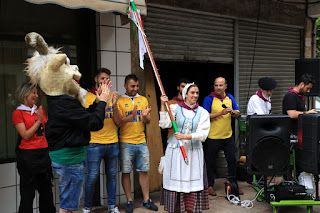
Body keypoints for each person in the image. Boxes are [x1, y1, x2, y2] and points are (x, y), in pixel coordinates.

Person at [47, 80, 112, 213]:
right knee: (67, 207)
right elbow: (94, 123)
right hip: (69, 160)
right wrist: (104, 101)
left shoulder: (61, 101)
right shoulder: (65, 103)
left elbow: (83, 118)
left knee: (69, 205)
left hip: (69, 159)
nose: (78, 87)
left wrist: (97, 103)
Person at [159, 83, 210, 213]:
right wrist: (163, 105)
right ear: (185, 94)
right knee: (176, 182)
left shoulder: (203, 112)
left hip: (194, 153)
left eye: (197, 93)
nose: (195, 95)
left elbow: (203, 135)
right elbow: (164, 124)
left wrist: (185, 136)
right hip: (175, 152)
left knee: (192, 183)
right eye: (192, 92)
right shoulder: (174, 108)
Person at [114, 74, 158, 213]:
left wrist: (145, 116)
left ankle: (146, 200)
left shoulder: (143, 99)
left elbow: (148, 121)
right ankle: (129, 201)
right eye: (132, 86)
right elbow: (119, 122)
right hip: (126, 142)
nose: (135, 89)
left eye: (137, 86)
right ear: (125, 86)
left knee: (143, 171)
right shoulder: (120, 101)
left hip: (141, 141)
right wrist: (132, 115)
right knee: (126, 172)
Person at [12, 83, 55, 213]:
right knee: (27, 194)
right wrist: (38, 120)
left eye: (37, 93)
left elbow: (46, 131)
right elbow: (25, 135)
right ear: (25, 94)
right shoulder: (18, 113)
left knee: (47, 193)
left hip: (43, 154)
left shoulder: (39, 110)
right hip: (28, 156)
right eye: (34, 93)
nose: (37, 96)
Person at [83, 68, 121, 213]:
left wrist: (115, 104)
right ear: (96, 80)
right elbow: (89, 120)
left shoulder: (113, 96)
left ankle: (112, 206)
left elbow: (118, 122)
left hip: (112, 142)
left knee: (112, 176)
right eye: (103, 78)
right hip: (94, 143)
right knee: (92, 177)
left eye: (107, 79)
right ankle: (87, 207)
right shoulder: (87, 97)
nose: (105, 81)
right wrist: (102, 101)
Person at [203, 77, 242, 196]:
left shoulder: (230, 97)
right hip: (213, 137)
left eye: (221, 85)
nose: (218, 88)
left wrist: (233, 112)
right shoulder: (209, 99)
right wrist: (221, 113)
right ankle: (209, 185)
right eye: (216, 85)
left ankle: (233, 185)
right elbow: (204, 116)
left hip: (227, 136)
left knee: (232, 161)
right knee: (210, 162)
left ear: (226, 86)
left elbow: (237, 112)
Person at [162, 77, 192, 153]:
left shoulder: (192, 104)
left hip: (188, 138)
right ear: (178, 88)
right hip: (173, 138)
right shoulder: (170, 103)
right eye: (182, 86)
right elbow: (164, 122)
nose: (184, 89)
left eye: (187, 87)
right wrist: (162, 104)